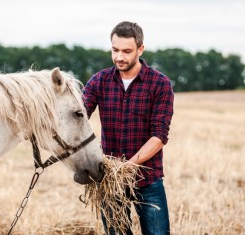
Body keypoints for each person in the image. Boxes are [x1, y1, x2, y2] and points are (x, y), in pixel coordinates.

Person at [82, 21, 174, 235]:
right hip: (110, 183)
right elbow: (79, 117)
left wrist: (127, 167)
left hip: (148, 181)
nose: (119, 57)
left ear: (140, 49)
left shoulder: (160, 84)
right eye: (115, 50)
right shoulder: (99, 81)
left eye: (126, 51)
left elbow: (159, 135)